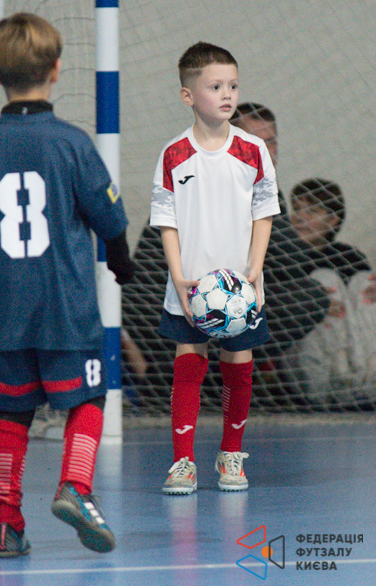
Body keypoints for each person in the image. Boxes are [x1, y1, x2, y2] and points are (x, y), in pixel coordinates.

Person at [0, 13, 134, 558]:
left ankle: (7, 524)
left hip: (7, 309)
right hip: (66, 308)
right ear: (56, 70)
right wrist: (123, 267)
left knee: (12, 412)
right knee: (89, 398)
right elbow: (110, 220)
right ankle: (75, 486)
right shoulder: (72, 143)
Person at [150, 42, 280, 494]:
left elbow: (264, 213)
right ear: (188, 96)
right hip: (190, 286)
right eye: (215, 87)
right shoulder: (173, 154)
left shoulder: (253, 150)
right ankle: (182, 463)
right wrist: (178, 278)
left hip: (241, 289)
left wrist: (254, 271)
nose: (227, 94)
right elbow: (166, 221)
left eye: (233, 86)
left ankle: (231, 454)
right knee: (188, 364)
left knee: (239, 365)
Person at [230, 105, 331, 392]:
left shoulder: (268, 190)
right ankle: (218, 377)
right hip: (194, 304)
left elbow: (288, 262)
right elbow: (289, 257)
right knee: (310, 295)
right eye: (254, 142)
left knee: (314, 291)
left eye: (271, 142)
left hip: (240, 299)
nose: (266, 151)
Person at [289, 178, 376, 405]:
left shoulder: (349, 256)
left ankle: (369, 374)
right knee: (323, 279)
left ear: (332, 220)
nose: (299, 217)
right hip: (311, 361)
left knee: (364, 282)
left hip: (357, 355)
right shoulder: (281, 257)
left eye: (311, 211)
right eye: (296, 209)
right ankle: (341, 376)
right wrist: (317, 303)